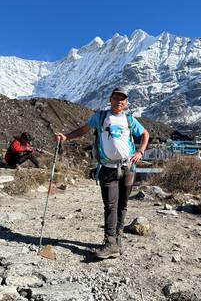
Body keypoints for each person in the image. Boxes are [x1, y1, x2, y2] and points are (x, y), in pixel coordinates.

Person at [54, 87, 149, 259]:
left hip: (128, 168)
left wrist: (140, 152)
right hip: (107, 168)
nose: (119, 101)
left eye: (123, 99)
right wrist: (66, 137)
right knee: (110, 205)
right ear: (110, 99)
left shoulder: (129, 119)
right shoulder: (101, 116)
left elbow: (144, 134)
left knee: (122, 204)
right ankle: (110, 242)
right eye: (116, 98)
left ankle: (117, 240)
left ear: (126, 103)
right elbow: (83, 130)